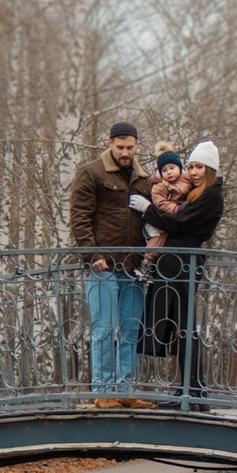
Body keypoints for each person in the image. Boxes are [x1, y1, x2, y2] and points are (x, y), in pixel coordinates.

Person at [66, 121, 151, 394]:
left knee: (130, 330)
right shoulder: (92, 172)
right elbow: (79, 217)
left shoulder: (144, 179)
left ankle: (125, 391)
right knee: (103, 329)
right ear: (110, 143)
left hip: (133, 267)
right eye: (120, 147)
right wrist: (92, 254)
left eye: (130, 147)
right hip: (102, 266)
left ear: (136, 146)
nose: (126, 152)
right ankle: (102, 392)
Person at [140, 140, 226, 402]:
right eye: (191, 166)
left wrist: (148, 210)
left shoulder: (211, 194)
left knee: (185, 327)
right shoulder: (198, 192)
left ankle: (193, 391)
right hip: (176, 262)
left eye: (199, 167)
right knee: (181, 326)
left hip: (184, 263)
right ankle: (191, 389)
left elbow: (179, 223)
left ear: (210, 169)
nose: (194, 171)